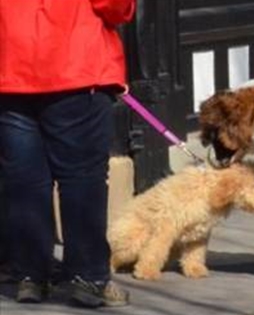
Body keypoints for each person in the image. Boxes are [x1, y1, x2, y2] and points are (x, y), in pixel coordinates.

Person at [0, 0, 135, 307]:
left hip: (10, 65)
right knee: (82, 178)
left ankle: (31, 274)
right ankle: (89, 277)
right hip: (76, 64)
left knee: (25, 180)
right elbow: (115, 6)